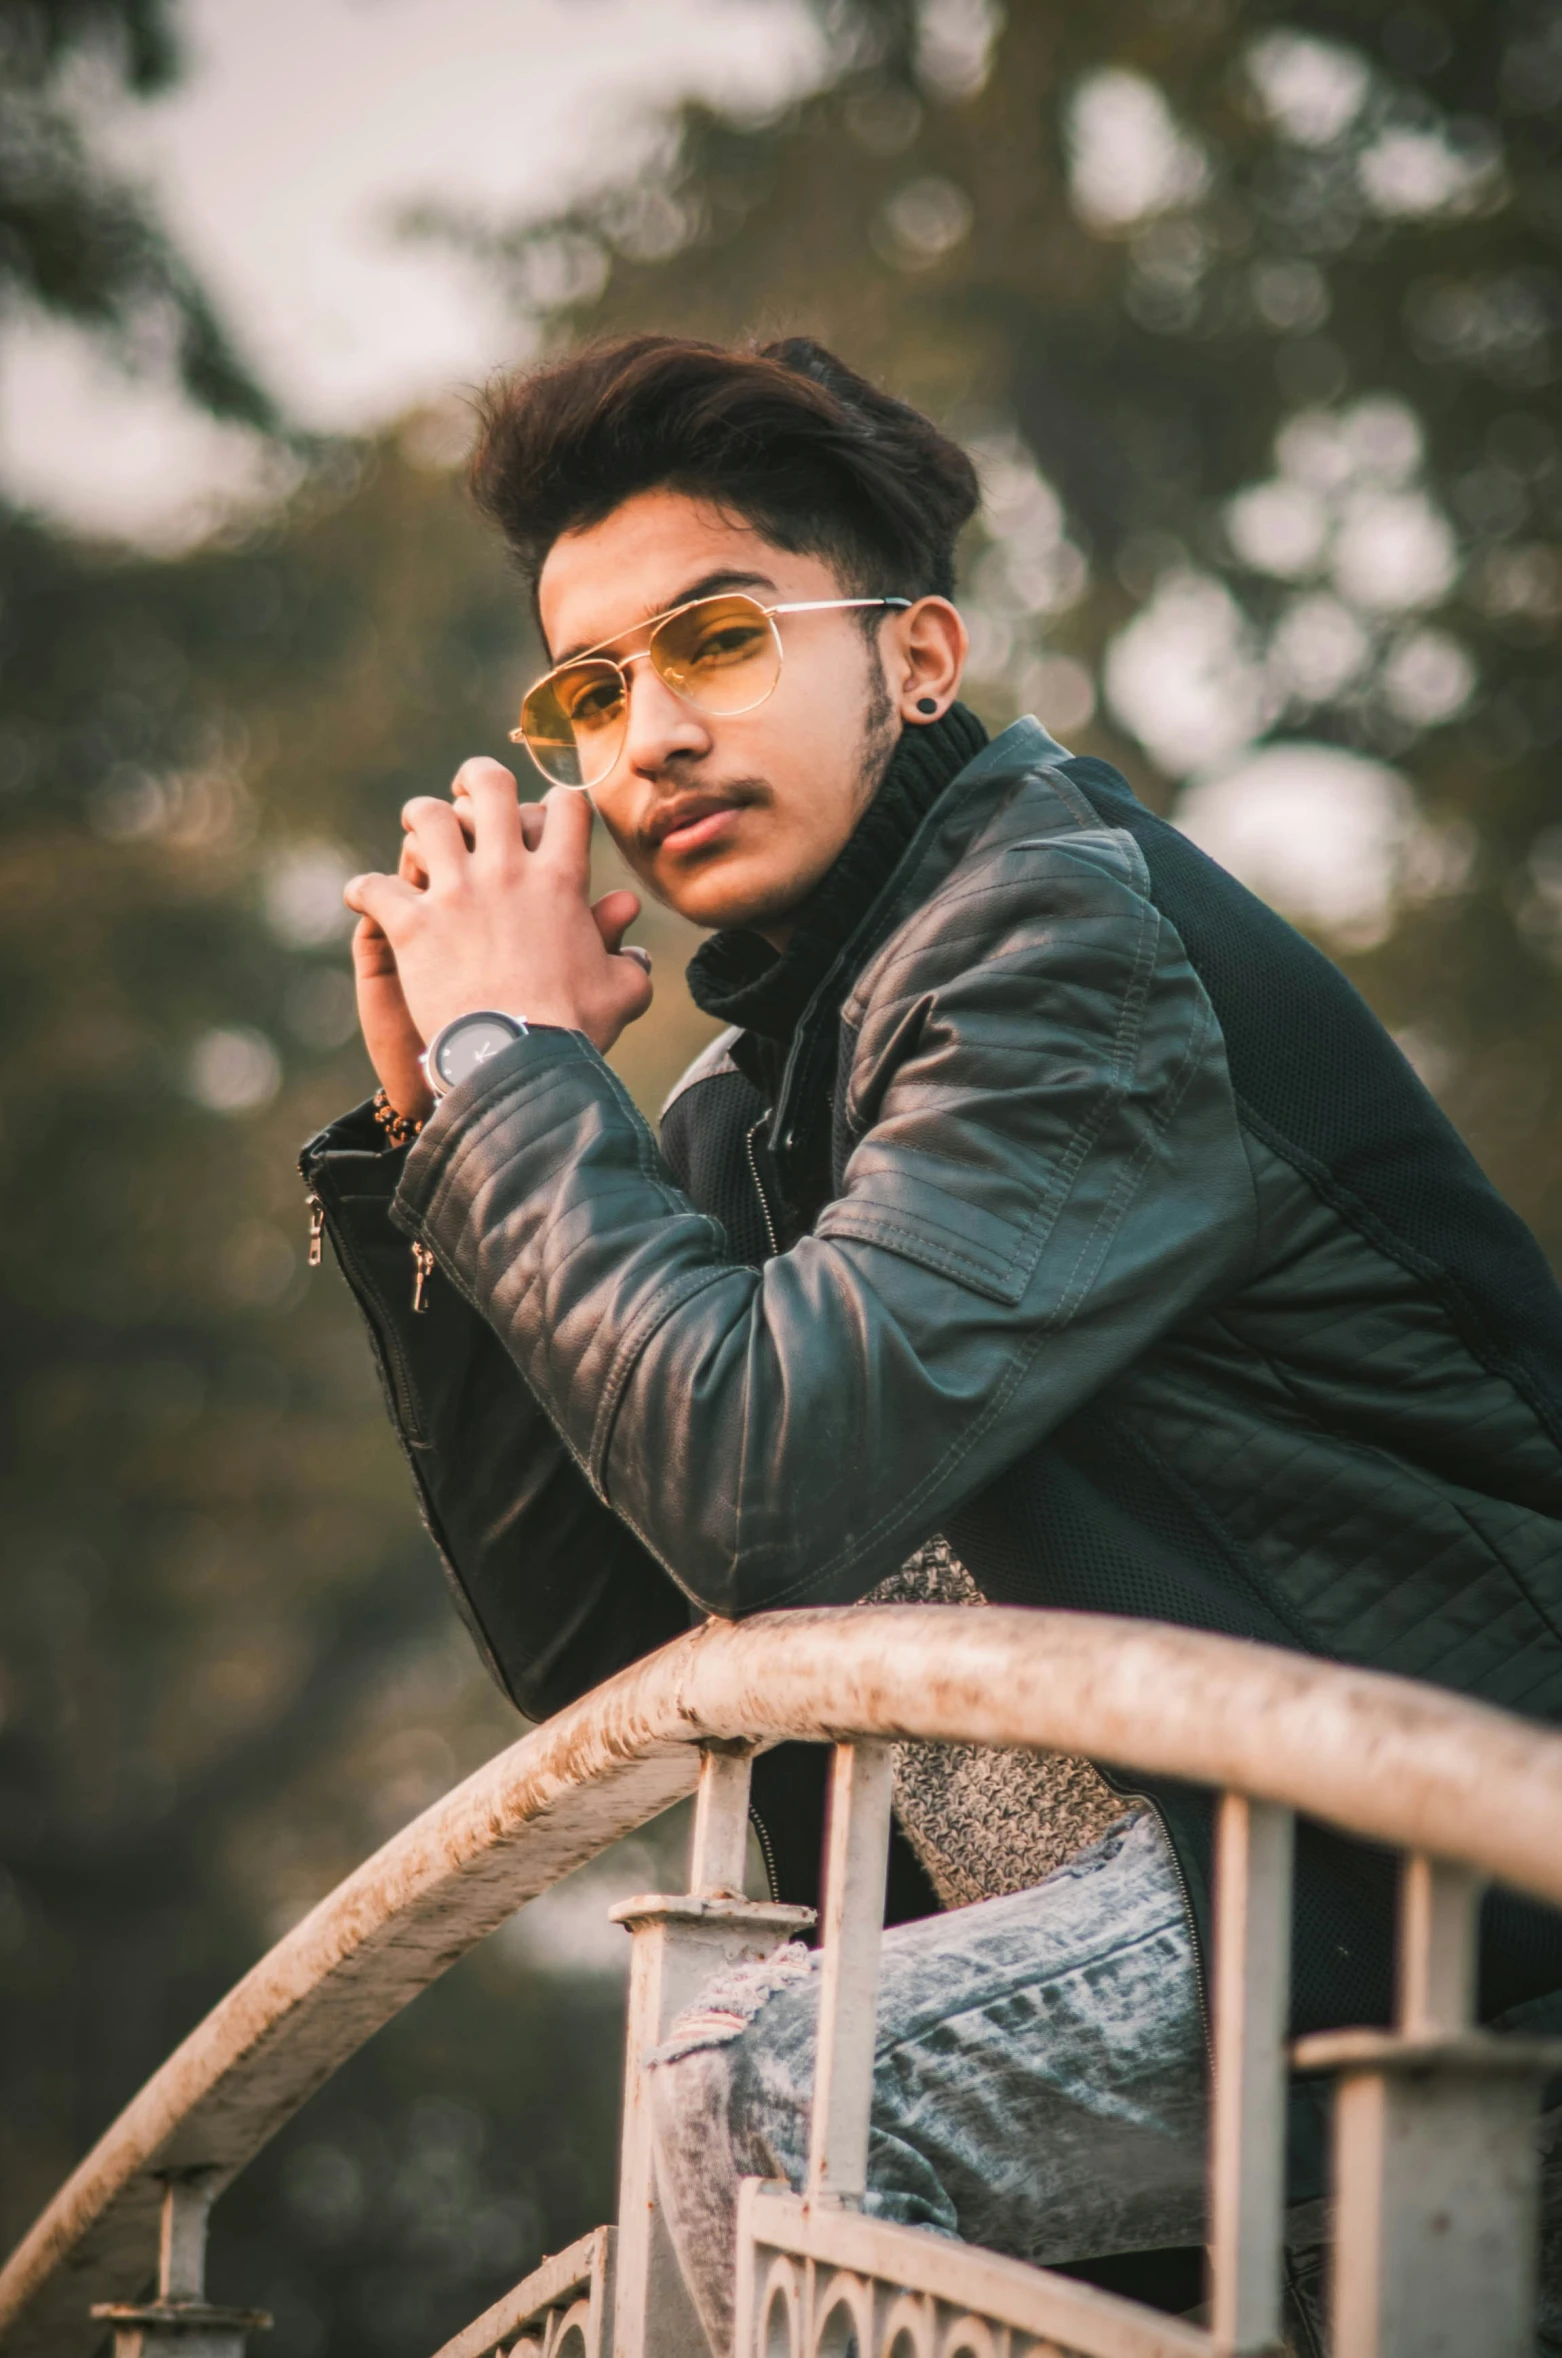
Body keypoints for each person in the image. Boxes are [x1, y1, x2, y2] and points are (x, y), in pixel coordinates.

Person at [301, 335, 1562, 2352]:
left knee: (765, 2088)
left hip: (1433, 1888)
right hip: (1194, 1955)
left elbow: (764, 1479)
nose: (642, 741)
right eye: (589, 691)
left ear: (911, 658)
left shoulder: (1064, 948)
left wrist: (517, 1074)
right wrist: (435, 1142)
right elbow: (620, 1661)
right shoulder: (751, 1103)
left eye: (714, 638)